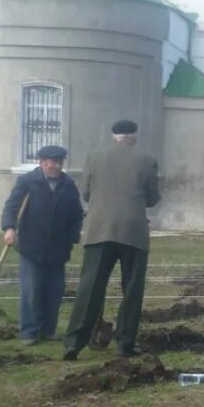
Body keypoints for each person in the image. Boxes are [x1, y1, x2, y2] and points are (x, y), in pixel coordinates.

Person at [62, 120, 161, 360]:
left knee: (90, 287)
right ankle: (125, 344)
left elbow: (85, 193)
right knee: (132, 290)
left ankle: (74, 344)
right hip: (133, 233)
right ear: (134, 138)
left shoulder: (94, 157)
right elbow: (153, 198)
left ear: (113, 136)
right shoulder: (147, 160)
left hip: (100, 230)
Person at [1, 145, 84, 346]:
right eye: (52, 162)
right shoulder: (28, 181)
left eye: (60, 162)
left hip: (58, 248)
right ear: (42, 162)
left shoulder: (68, 184)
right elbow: (12, 205)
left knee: (54, 292)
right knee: (32, 290)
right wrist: (9, 228)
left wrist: (73, 237)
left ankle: (48, 330)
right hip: (32, 245)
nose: (56, 166)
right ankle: (29, 332)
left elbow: (76, 213)